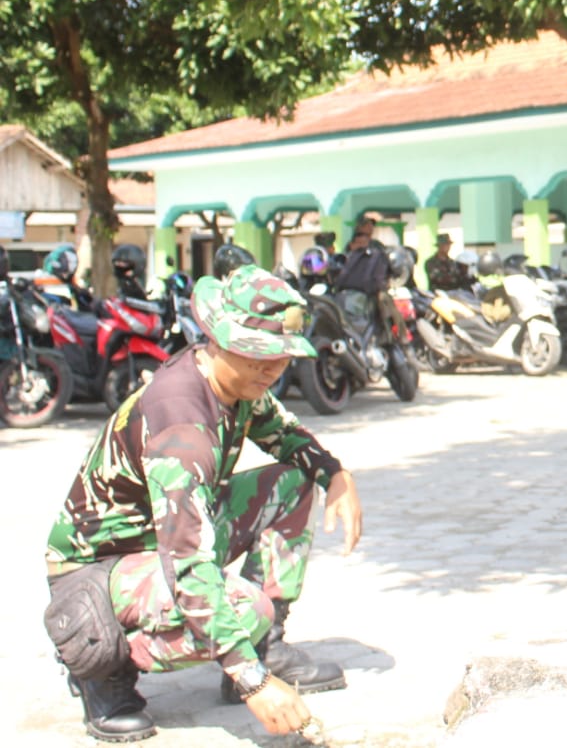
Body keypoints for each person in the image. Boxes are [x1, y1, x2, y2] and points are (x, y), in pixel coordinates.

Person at [41, 265, 361, 742]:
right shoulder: (181, 425)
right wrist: (251, 682)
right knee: (244, 607)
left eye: (281, 356)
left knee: (294, 481)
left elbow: (287, 436)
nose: (272, 368)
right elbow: (187, 559)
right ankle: (99, 664)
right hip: (99, 572)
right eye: (259, 354)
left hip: (164, 537)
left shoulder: (238, 385)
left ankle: (264, 646)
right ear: (218, 340)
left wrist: (336, 474)